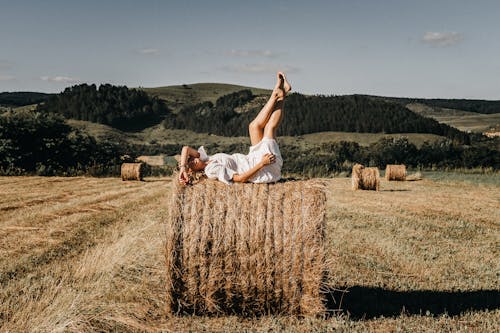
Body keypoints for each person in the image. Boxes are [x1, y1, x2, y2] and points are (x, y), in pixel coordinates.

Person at [178, 72, 291, 185]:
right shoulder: (211, 170)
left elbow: (185, 148)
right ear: (192, 171)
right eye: (191, 164)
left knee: (253, 127)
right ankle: (279, 94)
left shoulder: (207, 158)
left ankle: (279, 93)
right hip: (264, 169)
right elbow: (240, 178)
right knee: (269, 128)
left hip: (251, 158)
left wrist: (183, 167)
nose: (193, 160)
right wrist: (262, 163)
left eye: (191, 158)